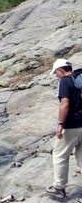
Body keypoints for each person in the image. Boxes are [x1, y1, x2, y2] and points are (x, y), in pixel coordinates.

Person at [46, 59, 82, 199]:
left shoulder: (65, 81)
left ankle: (58, 187)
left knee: (60, 155)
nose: (56, 76)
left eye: (56, 73)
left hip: (71, 125)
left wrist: (60, 124)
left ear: (61, 70)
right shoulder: (78, 79)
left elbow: (65, 104)